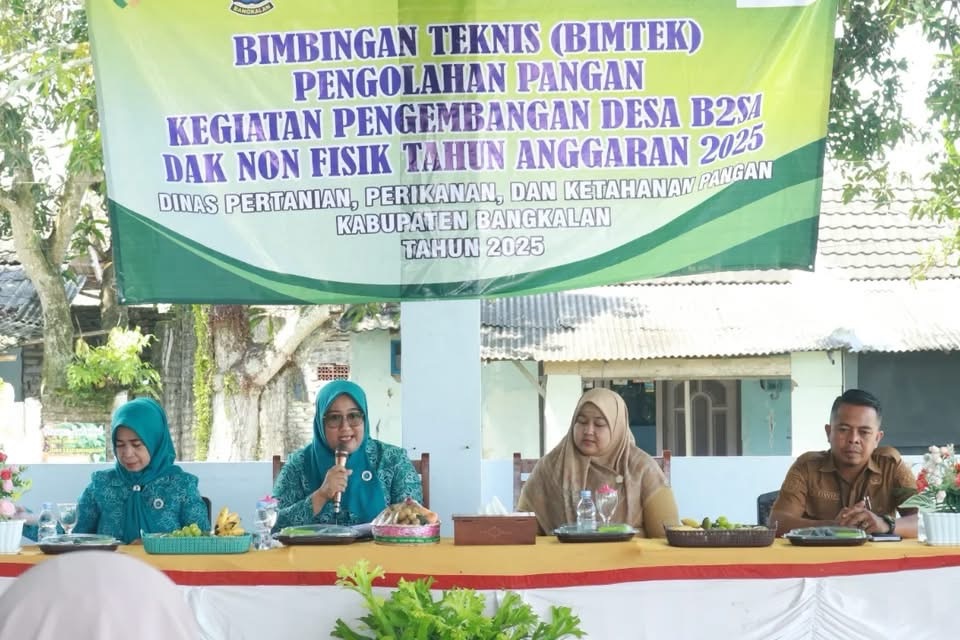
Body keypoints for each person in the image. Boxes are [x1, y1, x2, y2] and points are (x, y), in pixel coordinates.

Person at [517, 388, 679, 537]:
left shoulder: (642, 468)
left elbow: (666, 536)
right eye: (581, 421)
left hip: (628, 557)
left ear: (617, 428)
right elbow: (521, 531)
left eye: (599, 424)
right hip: (564, 558)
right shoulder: (550, 467)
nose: (588, 431)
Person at [769, 388, 918, 537]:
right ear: (829, 433)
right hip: (821, 552)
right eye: (844, 430)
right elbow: (777, 523)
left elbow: (924, 520)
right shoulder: (807, 466)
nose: (853, 439)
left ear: (877, 438)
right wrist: (834, 526)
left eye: (864, 432)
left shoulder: (890, 465)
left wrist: (885, 524)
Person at [273, 380, 422, 528]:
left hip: (377, 544)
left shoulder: (393, 460)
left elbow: (415, 521)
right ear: (320, 422)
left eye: (353, 416)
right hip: (315, 545)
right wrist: (321, 495)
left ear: (364, 418)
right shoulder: (299, 464)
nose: (345, 427)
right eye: (334, 417)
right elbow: (274, 525)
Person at [74, 397, 211, 543]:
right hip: (110, 559)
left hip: (164, 559)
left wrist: (156, 544)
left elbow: (202, 542)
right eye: (120, 445)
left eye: (137, 445)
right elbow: (74, 537)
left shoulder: (181, 486)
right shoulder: (102, 484)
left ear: (156, 442)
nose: (127, 454)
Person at [0, 551, 200, 639]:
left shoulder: (181, 485)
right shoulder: (100, 485)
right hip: (98, 573)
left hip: (135, 579)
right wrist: (30, 521)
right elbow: (76, 532)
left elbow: (201, 531)